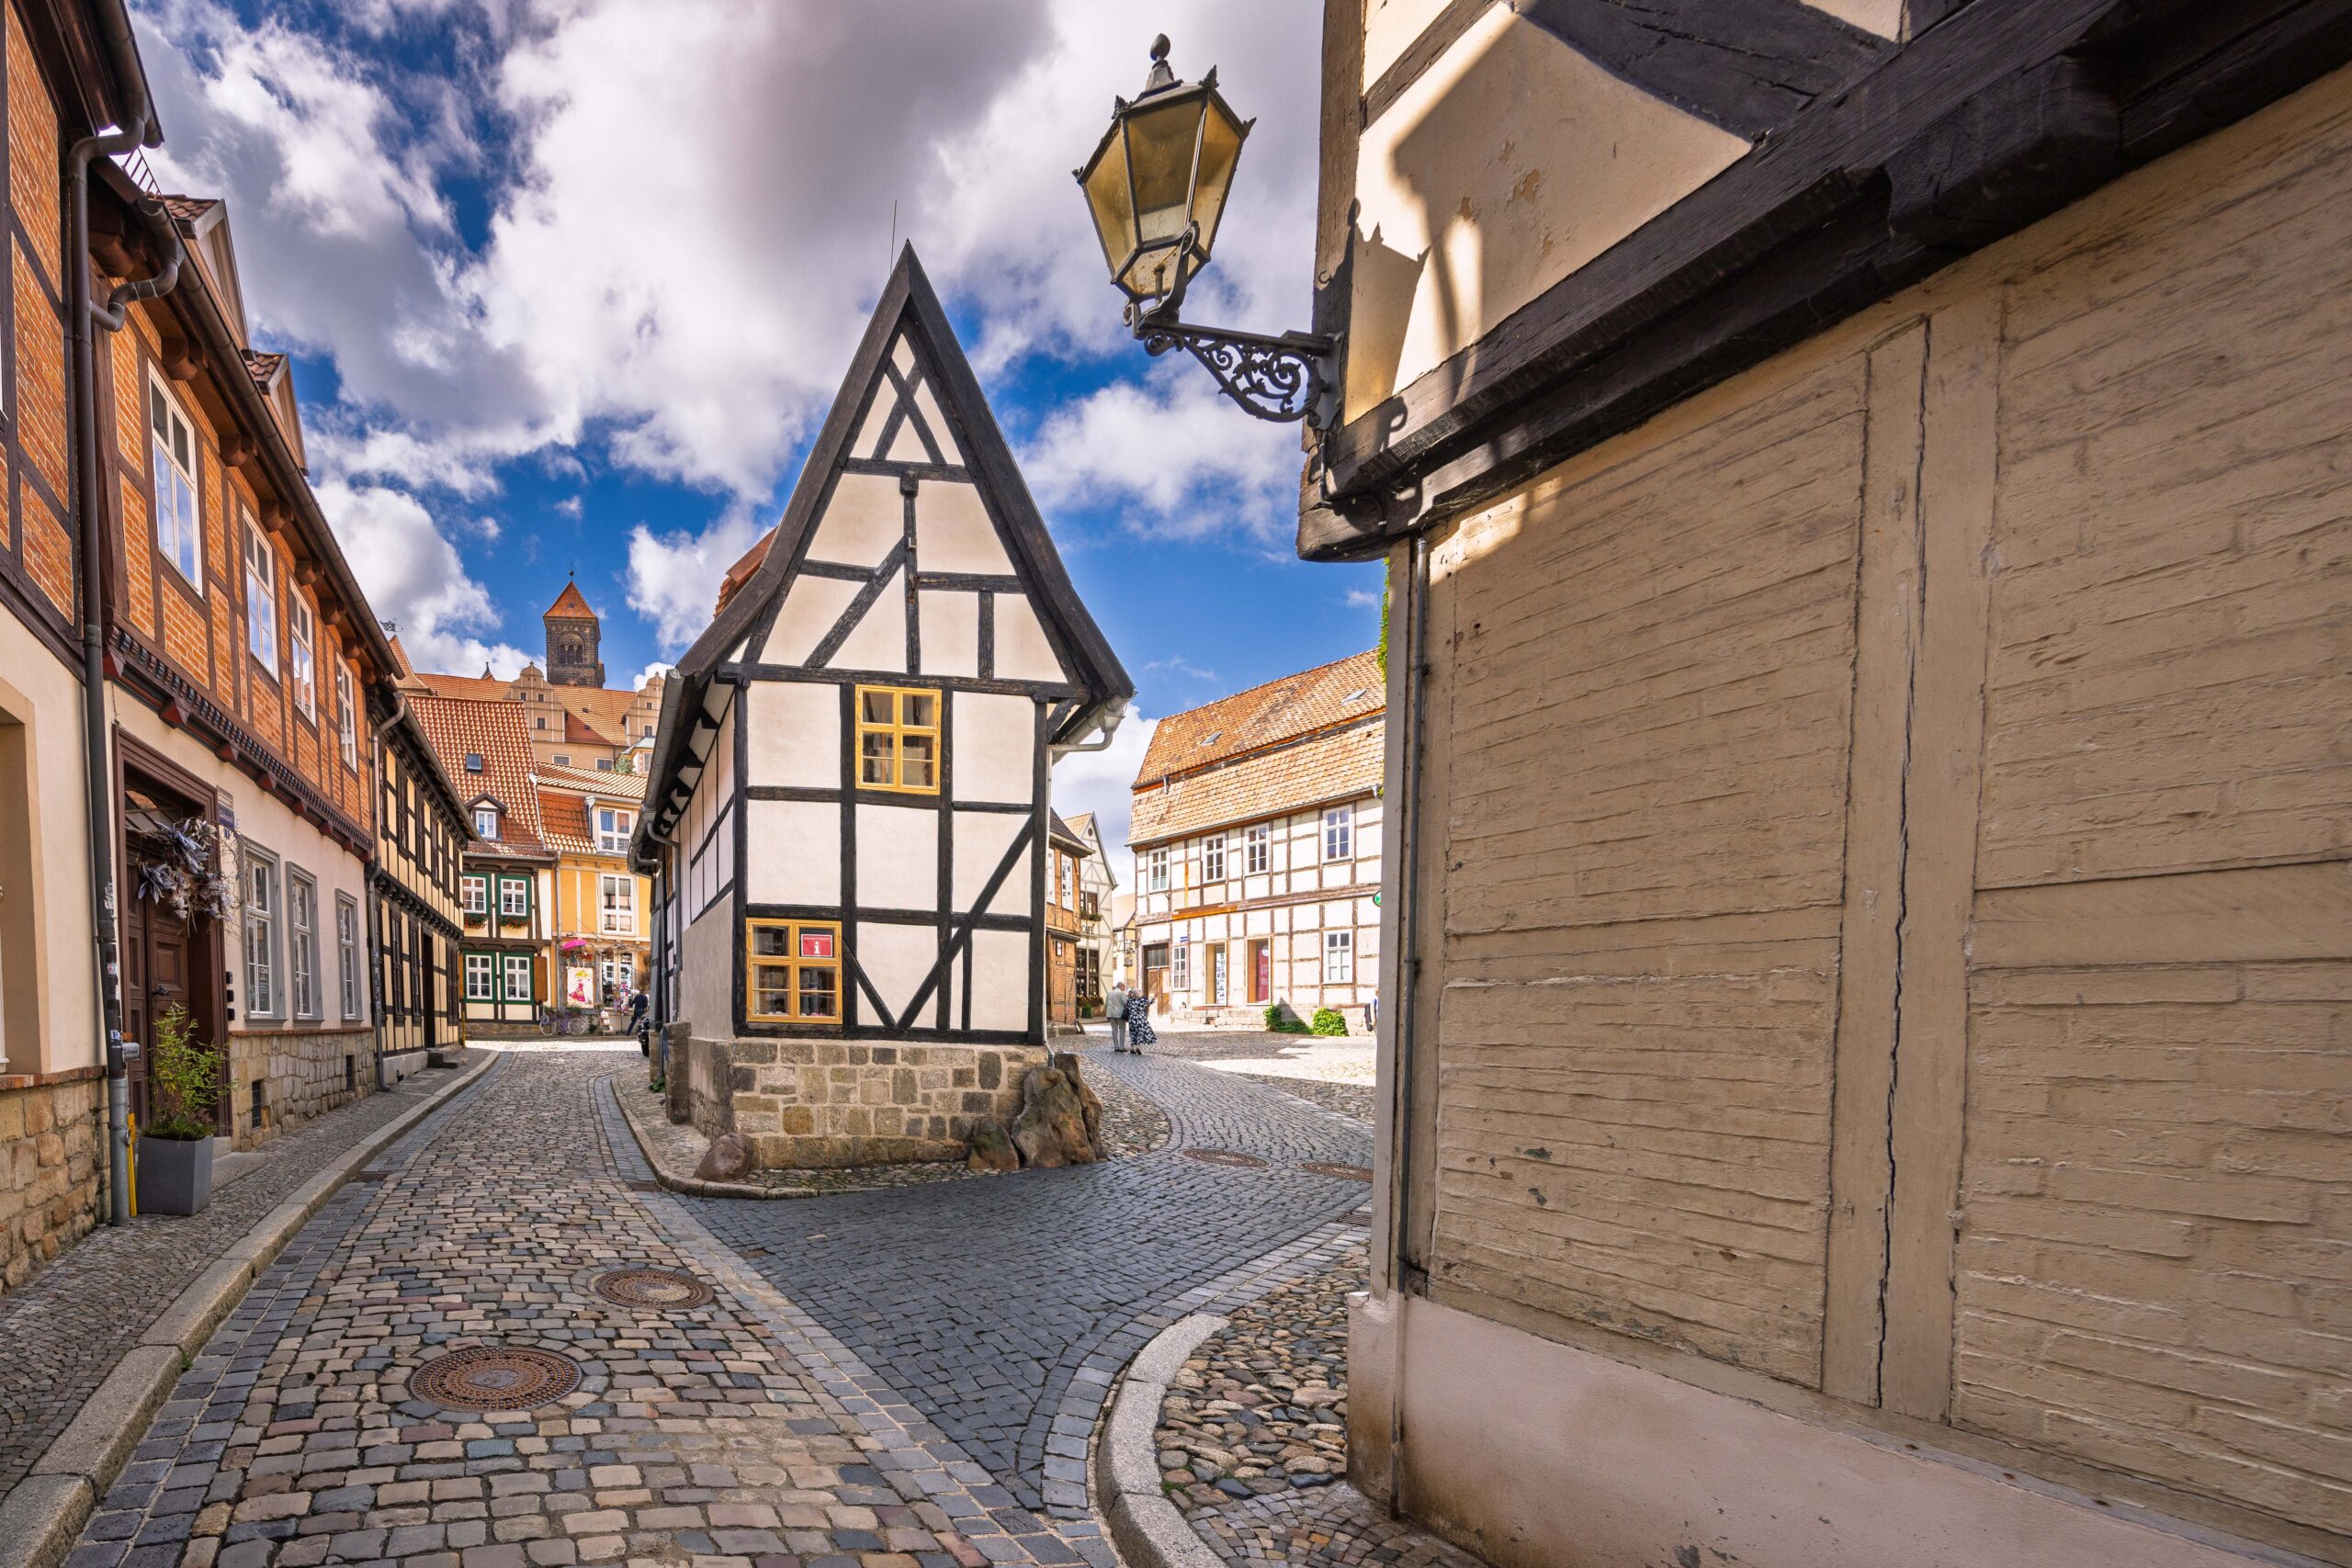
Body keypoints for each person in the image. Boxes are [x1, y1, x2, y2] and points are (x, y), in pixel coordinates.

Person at [1125, 986, 1157, 1054]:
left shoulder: (1129, 999)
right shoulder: (1143, 999)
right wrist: (1153, 999)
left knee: (1132, 1033)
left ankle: (1132, 1048)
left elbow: (1127, 1007)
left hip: (1132, 1018)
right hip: (1140, 1018)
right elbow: (1149, 1003)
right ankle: (1138, 1048)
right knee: (1139, 1032)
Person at [1105, 977, 1130, 1054]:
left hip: (1111, 1014)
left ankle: (1116, 1047)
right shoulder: (1121, 993)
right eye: (1124, 987)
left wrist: (1106, 1014)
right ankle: (1121, 1047)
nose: (1125, 988)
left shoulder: (1109, 993)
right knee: (1122, 1029)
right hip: (1120, 1014)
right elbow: (1126, 1003)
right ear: (1121, 986)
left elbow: (1106, 1004)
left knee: (1114, 1030)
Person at [628, 989, 650, 1055]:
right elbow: (646, 1005)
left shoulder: (636, 997)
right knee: (641, 1024)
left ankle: (628, 1033)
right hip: (641, 1011)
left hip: (636, 1011)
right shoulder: (645, 997)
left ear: (640, 992)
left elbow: (631, 1003)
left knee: (633, 1022)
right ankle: (639, 1033)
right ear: (644, 992)